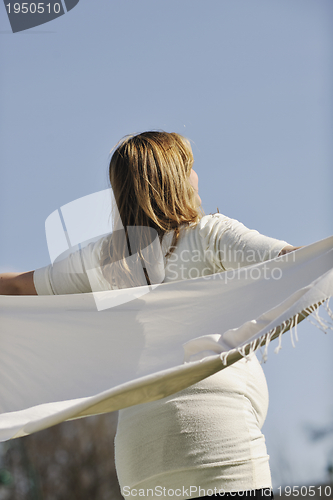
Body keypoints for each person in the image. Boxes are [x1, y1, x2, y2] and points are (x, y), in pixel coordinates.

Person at [0, 131, 298, 499]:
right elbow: (294, 263)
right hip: (221, 452)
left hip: (140, 464)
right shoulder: (209, 234)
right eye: (190, 167)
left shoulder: (102, 260)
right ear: (175, 177)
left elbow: (14, 288)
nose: (197, 177)